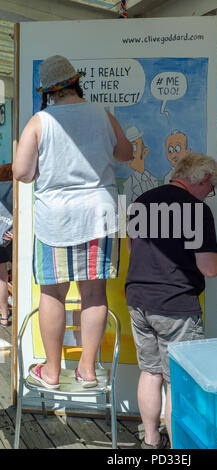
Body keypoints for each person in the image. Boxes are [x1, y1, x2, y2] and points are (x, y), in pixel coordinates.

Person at [13, 55, 132, 389]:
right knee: (94, 292)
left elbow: (21, 173)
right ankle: (88, 370)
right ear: (76, 82)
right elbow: (125, 154)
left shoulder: (40, 121)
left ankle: (51, 372)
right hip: (100, 214)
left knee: (53, 292)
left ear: (49, 91)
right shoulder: (103, 115)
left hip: (57, 217)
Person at [125, 153, 217, 448]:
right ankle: (180, 446)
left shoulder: (141, 201)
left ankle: (152, 441)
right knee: (177, 381)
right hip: (176, 305)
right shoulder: (195, 210)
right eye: (212, 188)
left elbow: (133, 250)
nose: (210, 195)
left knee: (151, 372)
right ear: (203, 179)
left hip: (139, 301)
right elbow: (209, 267)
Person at [123, 125, 158, 207]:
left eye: (134, 147)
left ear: (145, 151)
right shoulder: (128, 185)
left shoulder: (153, 180)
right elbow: (122, 214)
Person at [0, 163, 13, 328]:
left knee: (1, 277)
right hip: (11, 237)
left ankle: (4, 315)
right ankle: (6, 314)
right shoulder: (16, 191)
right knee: (5, 277)